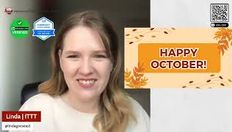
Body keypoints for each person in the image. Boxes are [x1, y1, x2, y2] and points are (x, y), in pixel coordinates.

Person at [20, 10, 149, 132]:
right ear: (60, 60)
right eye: (73, 56)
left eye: (99, 56)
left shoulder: (134, 113)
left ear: (113, 61)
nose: (86, 70)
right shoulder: (32, 110)